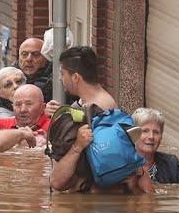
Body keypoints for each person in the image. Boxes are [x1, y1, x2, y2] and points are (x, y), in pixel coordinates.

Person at [48, 46, 153, 194]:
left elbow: (59, 182)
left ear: (75, 77)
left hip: (96, 202)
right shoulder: (84, 104)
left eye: (62, 73)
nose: (60, 78)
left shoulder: (102, 109)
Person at [0, 37, 74, 113]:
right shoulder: (7, 77)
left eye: (36, 55)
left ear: (46, 57)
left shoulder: (59, 79)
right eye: (24, 54)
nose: (29, 59)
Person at [0, 84, 50, 148]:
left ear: (43, 107)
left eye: (29, 104)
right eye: (18, 104)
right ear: (12, 107)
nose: (23, 110)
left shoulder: (54, 127)